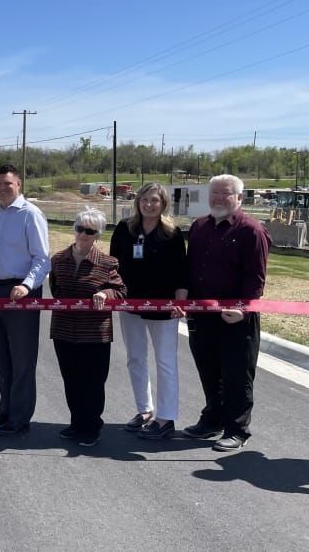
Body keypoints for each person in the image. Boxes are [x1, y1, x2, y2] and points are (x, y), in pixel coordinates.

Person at [181, 174, 271, 452]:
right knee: (209, 371)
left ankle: (237, 430)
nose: (219, 198)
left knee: (237, 376)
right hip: (201, 316)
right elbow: (191, 267)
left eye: (226, 193)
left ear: (239, 197)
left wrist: (243, 309)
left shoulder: (251, 231)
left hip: (236, 317)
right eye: (215, 193)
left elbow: (255, 278)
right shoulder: (199, 226)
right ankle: (213, 420)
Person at [108, 182, 189, 441]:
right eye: (145, 200)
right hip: (129, 304)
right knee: (135, 358)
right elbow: (113, 266)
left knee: (165, 361)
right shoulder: (125, 229)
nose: (149, 205)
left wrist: (181, 302)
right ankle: (144, 410)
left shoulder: (172, 233)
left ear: (163, 203)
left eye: (154, 200)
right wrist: (111, 293)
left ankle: (166, 418)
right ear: (137, 202)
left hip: (163, 306)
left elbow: (182, 271)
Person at [0, 164, 50, 436]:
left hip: (20, 294)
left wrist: (26, 285)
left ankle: (19, 420)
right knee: (2, 360)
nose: (2, 188)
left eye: (7, 183)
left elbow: (42, 259)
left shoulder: (30, 214)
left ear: (18, 184)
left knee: (22, 362)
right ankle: (5, 412)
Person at [50, 207, 126, 447]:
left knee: (92, 383)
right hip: (63, 330)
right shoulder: (58, 259)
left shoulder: (108, 262)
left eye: (90, 231)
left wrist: (105, 293)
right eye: (79, 228)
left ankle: (92, 427)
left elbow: (121, 292)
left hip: (94, 334)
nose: (83, 234)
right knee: (71, 380)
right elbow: (56, 290)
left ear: (98, 235)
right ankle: (76, 423)